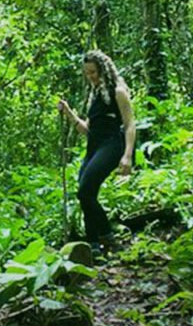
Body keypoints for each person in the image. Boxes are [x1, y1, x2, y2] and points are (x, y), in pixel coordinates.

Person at [57, 50, 136, 256]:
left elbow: (129, 124)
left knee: (85, 190)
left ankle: (107, 237)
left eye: (93, 72)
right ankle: (92, 245)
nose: (91, 76)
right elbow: (86, 130)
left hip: (111, 145)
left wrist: (127, 156)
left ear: (103, 69)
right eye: (87, 73)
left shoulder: (118, 91)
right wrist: (68, 112)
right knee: (85, 194)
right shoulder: (95, 95)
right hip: (94, 146)